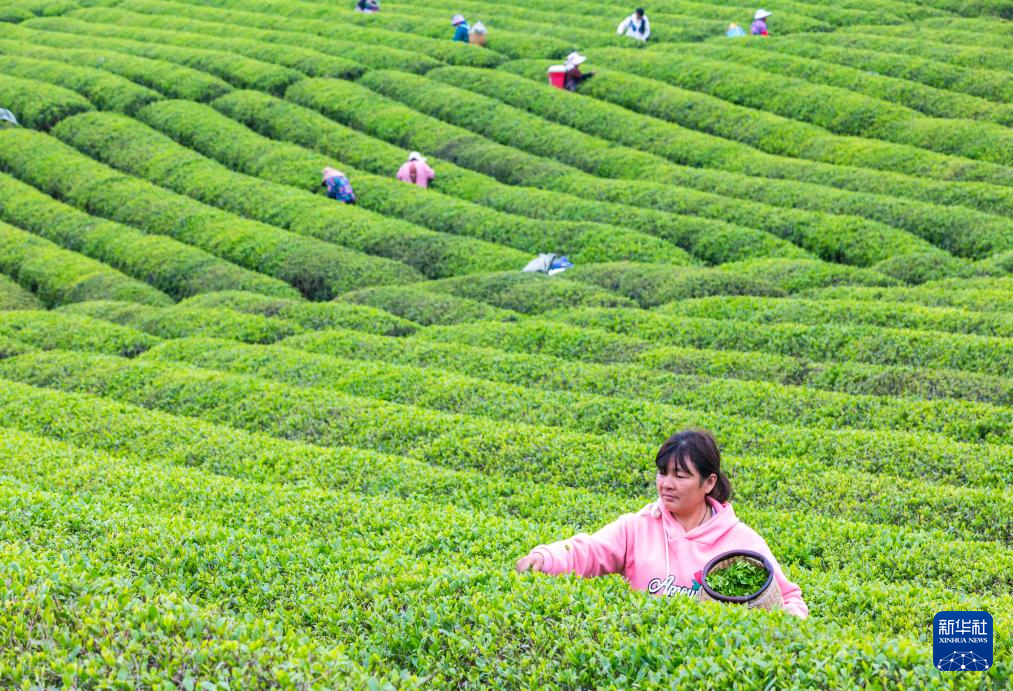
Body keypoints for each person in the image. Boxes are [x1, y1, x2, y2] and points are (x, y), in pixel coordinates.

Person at [515, 429, 809, 618]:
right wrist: (546, 557)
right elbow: (589, 550)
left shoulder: (742, 540)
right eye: (662, 473)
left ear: (708, 482)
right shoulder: (637, 527)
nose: (666, 484)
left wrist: (789, 627)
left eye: (680, 476)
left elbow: (788, 597)